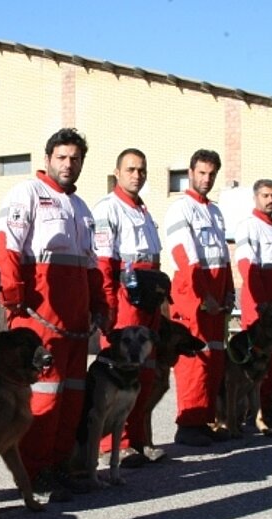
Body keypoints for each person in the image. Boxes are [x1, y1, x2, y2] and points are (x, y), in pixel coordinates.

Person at [0, 128, 110, 500]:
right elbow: (4, 246)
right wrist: (11, 297)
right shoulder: (27, 194)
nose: (68, 164)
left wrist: (100, 305)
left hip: (75, 323)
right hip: (38, 318)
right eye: (61, 157)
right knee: (43, 395)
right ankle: (34, 470)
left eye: (75, 159)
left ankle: (59, 466)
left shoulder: (82, 209)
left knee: (70, 397)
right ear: (47, 160)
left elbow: (92, 265)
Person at [92, 148, 164, 465]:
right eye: (131, 169)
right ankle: (113, 445)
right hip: (127, 296)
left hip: (149, 296)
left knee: (144, 373)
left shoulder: (144, 211)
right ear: (117, 173)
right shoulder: (109, 209)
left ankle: (137, 440)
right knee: (120, 373)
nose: (137, 175)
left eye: (142, 170)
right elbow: (105, 262)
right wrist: (108, 304)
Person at [165, 149, 235, 447]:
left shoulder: (215, 211)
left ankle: (204, 419)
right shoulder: (181, 209)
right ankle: (188, 423)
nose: (206, 179)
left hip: (217, 296)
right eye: (201, 173)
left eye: (211, 174)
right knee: (195, 360)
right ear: (190, 173)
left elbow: (223, 255)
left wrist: (229, 291)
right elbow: (185, 256)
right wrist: (203, 294)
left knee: (214, 359)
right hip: (193, 297)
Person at [233, 178, 272, 421]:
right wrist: (262, 303)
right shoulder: (249, 226)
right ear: (256, 197)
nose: (271, 200)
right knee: (257, 360)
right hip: (261, 307)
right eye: (266, 196)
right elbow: (248, 267)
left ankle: (267, 406)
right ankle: (252, 411)